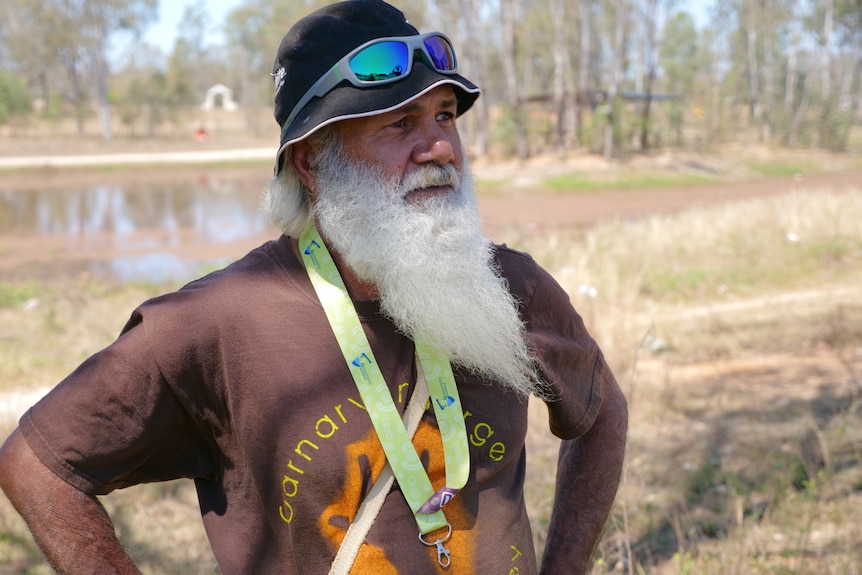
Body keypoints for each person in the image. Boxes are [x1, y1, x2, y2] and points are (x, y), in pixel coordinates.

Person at [0, 1, 627, 573]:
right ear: (312, 161)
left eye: (443, 115)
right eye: (399, 124)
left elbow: (602, 411)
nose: (440, 145)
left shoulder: (510, 284)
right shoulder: (221, 321)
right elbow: (37, 464)